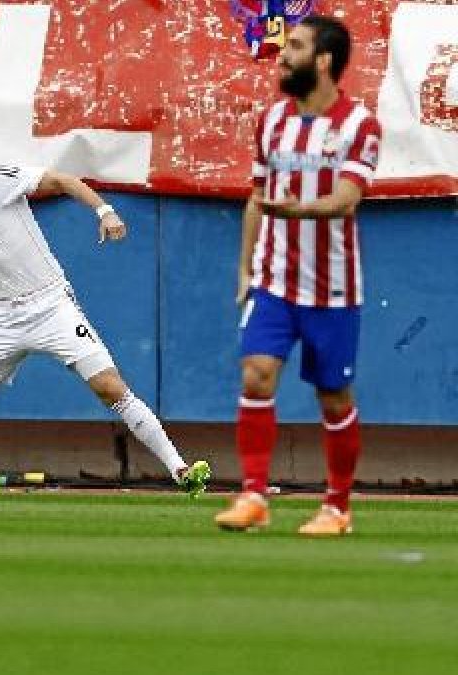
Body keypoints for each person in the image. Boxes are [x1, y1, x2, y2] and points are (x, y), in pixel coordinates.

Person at [0, 140, 210, 496]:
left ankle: (180, 469)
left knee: (110, 387)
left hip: (50, 306)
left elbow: (63, 180)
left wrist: (104, 211)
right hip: (0, 317)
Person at [215, 16, 379, 536]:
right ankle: (254, 497)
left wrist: (296, 211)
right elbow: (256, 198)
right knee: (255, 374)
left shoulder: (359, 125)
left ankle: (337, 508)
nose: (283, 54)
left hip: (333, 288)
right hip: (273, 281)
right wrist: (245, 268)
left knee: (333, 397)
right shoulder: (271, 121)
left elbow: (348, 200)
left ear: (324, 61)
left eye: (297, 46)